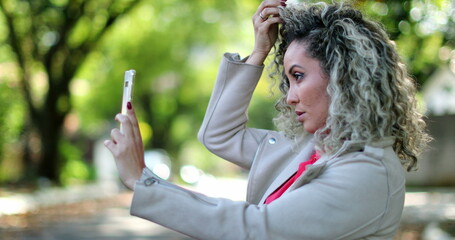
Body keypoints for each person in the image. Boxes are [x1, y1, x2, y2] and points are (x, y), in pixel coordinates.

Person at [104, 1, 431, 239]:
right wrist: (259, 51)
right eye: (287, 80)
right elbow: (220, 136)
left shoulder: (367, 172)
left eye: (299, 76)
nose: (289, 97)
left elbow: (253, 227)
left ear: (343, 77)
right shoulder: (313, 146)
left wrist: (142, 180)